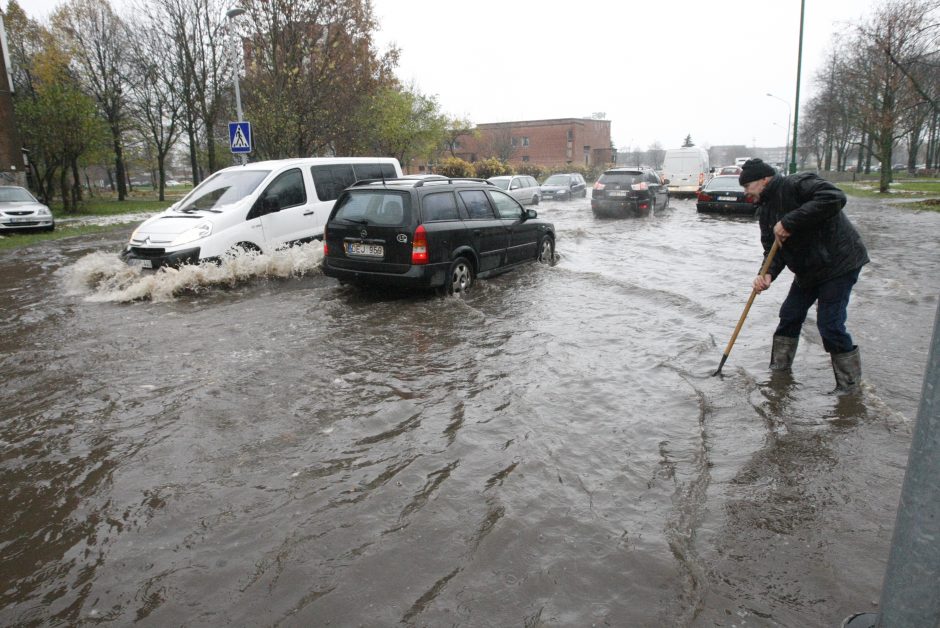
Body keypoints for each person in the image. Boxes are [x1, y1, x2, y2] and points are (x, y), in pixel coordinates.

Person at [739, 158, 869, 393]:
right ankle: (779, 372)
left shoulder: (797, 184)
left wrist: (789, 221)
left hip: (838, 263)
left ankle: (849, 388)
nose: (746, 192)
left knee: (829, 324)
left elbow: (835, 197)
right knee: (789, 315)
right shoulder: (765, 211)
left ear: (764, 180)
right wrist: (766, 273)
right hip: (807, 270)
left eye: (748, 186)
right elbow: (773, 249)